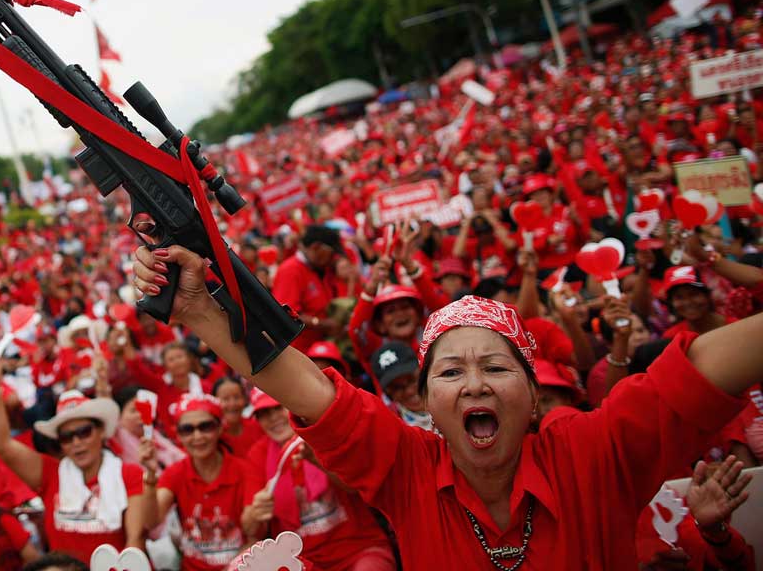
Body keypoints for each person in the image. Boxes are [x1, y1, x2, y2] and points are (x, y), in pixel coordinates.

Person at [132, 243, 763, 570]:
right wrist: (202, 317)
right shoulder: (405, 467)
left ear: (534, 393)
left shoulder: (595, 452)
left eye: (495, 367)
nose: (474, 385)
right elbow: (309, 390)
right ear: (428, 402)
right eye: (451, 371)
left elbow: (702, 369)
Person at [0, 349, 148, 560]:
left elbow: (135, 540)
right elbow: (2, 445)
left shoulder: (129, 474)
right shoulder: (50, 474)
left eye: (84, 432)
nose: (77, 442)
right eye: (67, 437)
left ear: (101, 432)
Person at [245, 389, 396, 571]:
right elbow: (250, 528)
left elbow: (355, 487)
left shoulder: (323, 432)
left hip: (359, 550)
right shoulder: (257, 454)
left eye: (278, 408)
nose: (273, 418)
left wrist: (316, 460)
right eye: (263, 414)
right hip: (299, 561)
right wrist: (256, 512)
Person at [141, 395, 262, 570]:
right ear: (178, 435)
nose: (197, 436)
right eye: (187, 430)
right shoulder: (175, 473)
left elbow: (254, 535)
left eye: (205, 427)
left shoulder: (245, 470)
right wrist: (150, 476)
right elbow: (151, 521)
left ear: (220, 428)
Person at [271, 225, 343, 348]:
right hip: (301, 350)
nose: (334, 259)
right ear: (316, 247)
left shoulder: (319, 268)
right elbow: (286, 315)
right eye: (331, 254)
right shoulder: (291, 270)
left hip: (319, 346)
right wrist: (321, 323)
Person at [369, 341, 432, 430]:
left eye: (412, 380)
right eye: (397, 387)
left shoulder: (453, 398)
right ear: (388, 394)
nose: (409, 391)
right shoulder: (390, 427)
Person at [213, 377, 263, 457]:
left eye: (237, 397)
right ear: (214, 401)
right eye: (225, 399)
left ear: (245, 399)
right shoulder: (212, 436)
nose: (232, 404)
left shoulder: (258, 426)